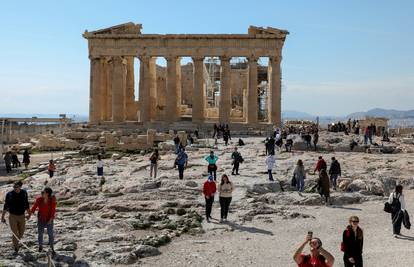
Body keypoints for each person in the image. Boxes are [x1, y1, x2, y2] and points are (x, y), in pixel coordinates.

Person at [1, 181, 30, 255]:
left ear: (20, 187)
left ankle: (15, 242)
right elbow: (6, 205)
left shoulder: (24, 193)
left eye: (16, 187)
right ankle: (16, 248)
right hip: (12, 216)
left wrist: (29, 213)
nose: (15, 189)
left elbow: (26, 203)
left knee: (21, 232)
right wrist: (2, 216)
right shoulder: (9, 194)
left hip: (22, 215)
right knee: (15, 233)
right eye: (14, 187)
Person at [29, 187, 56, 254]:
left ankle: (52, 248)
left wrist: (51, 219)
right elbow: (34, 207)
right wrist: (29, 214)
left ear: (47, 194)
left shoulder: (52, 200)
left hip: (49, 219)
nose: (41, 193)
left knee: (50, 233)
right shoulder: (39, 199)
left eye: (43, 192)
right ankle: (40, 247)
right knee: (40, 233)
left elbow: (53, 210)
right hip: (41, 218)